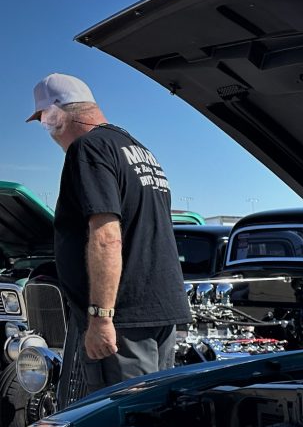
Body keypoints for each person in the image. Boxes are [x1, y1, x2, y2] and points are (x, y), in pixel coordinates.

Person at [27, 73, 190, 403]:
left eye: (44, 119)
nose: (46, 129)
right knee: (154, 416)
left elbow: (107, 237)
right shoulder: (137, 149)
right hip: (158, 311)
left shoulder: (88, 148)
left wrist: (101, 318)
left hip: (122, 321)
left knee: (118, 423)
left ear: (58, 113)